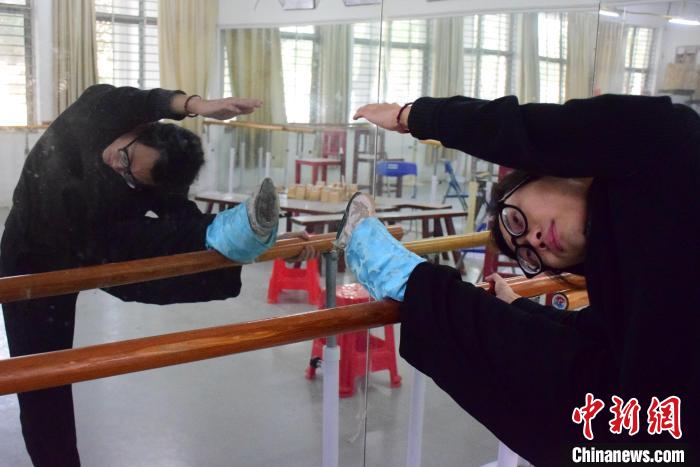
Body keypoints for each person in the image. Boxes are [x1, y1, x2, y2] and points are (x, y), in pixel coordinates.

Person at [345, 94, 700, 465]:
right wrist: (519, 307)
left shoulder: (662, 145)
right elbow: (598, 336)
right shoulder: (619, 283)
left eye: (516, 220)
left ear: (543, 170)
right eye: (528, 254)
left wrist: (414, 116)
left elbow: (534, 130)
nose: (533, 241)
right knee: (566, 379)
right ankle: (409, 282)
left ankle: (405, 279)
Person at [0, 84, 312, 467]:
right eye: (126, 158)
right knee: (42, 382)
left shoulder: (155, 176)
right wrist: (197, 104)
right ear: (139, 129)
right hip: (31, 259)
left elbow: (182, 220)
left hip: (95, 248)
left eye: (133, 177)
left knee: (179, 236)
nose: (119, 166)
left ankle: (241, 232)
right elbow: (144, 100)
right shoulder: (99, 113)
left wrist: (268, 242)